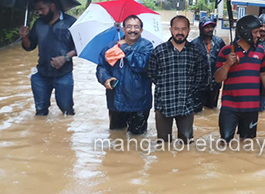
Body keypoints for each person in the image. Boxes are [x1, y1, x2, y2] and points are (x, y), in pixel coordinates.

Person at [215, 15, 265, 143]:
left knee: (247, 144)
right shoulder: (226, 51)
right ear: (245, 32)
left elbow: (264, 74)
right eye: (255, 32)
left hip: (252, 107)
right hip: (229, 107)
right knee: (225, 142)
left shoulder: (260, 51)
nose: (259, 35)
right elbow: (218, 78)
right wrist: (227, 65)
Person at [147, 15, 207, 143]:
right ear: (170, 29)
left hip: (186, 105)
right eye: (176, 29)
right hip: (164, 105)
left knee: (186, 143)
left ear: (189, 30)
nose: (180, 32)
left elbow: (200, 77)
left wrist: (189, 94)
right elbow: (152, 74)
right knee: (163, 144)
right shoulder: (159, 51)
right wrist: (164, 90)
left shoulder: (195, 52)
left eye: (183, 29)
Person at [19, 0, 77, 116]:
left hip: (63, 74)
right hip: (42, 75)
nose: (39, 13)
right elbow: (30, 46)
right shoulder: (38, 24)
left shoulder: (70, 22)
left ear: (52, 6)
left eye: (42, 9)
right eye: (37, 10)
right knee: (40, 112)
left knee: (67, 111)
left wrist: (65, 58)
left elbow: (80, 46)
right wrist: (24, 37)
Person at [96, 15, 153, 135]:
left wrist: (125, 48)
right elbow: (101, 67)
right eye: (129, 27)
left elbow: (142, 65)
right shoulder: (111, 46)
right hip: (116, 101)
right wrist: (105, 78)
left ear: (141, 30)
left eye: (136, 27)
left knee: (137, 140)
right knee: (116, 137)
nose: (132, 30)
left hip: (139, 103)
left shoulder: (147, 46)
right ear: (123, 29)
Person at [191, 16, 226, 112]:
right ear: (201, 29)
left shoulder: (219, 42)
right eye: (206, 27)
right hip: (199, 85)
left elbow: (225, 60)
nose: (210, 29)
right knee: (196, 111)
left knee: (212, 110)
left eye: (211, 27)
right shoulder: (193, 44)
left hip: (215, 84)